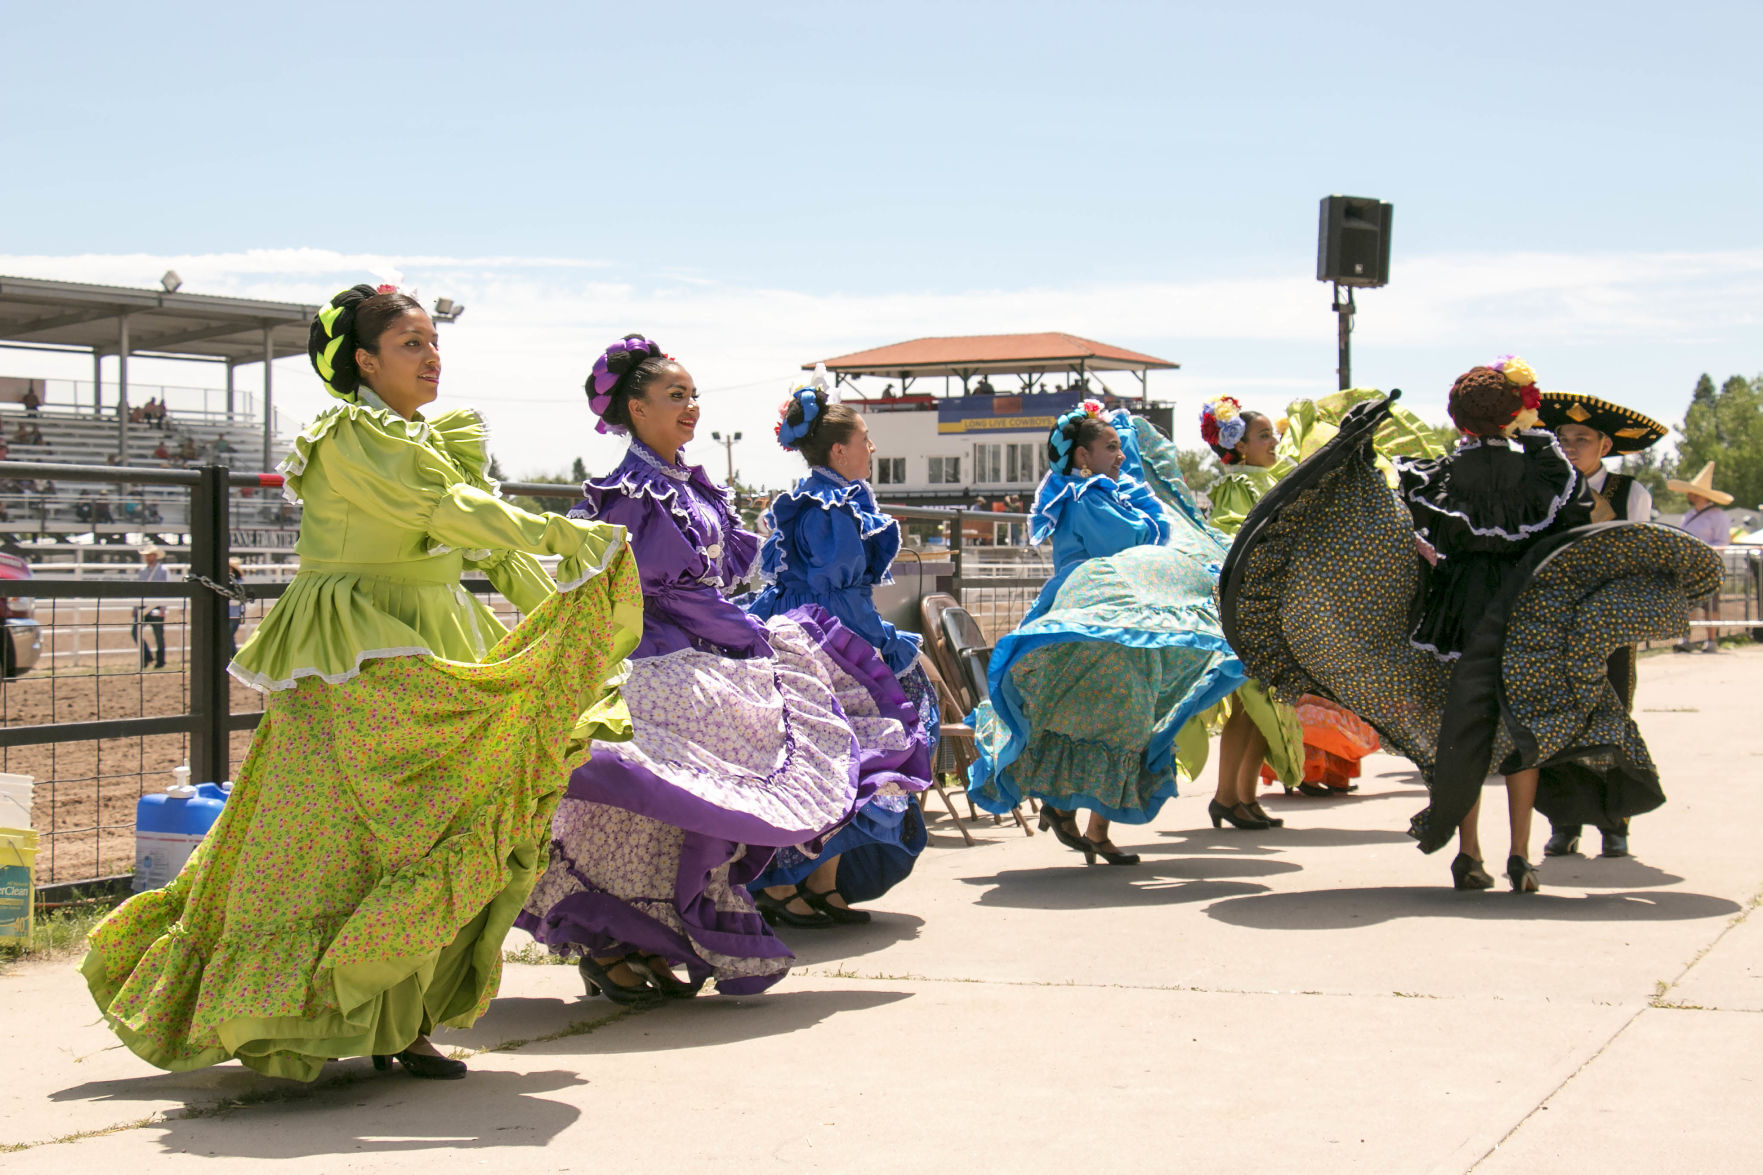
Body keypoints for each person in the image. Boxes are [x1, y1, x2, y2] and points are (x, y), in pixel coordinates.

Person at [83, 283, 643, 1082]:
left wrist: (569, 615)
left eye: (433, 342)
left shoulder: (427, 437)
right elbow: (449, 510)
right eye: (411, 344)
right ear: (364, 360)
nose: (431, 356)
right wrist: (569, 537)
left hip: (432, 634)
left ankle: (403, 1020)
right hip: (351, 652)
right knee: (319, 843)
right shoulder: (349, 436)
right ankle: (280, 1014)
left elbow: (487, 546)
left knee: (431, 834)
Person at [519, 335, 927, 1001]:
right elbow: (645, 589)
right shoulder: (630, 490)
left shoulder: (685, 482)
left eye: (692, 395)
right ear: (634, 407)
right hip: (655, 649)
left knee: (689, 801)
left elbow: (719, 573)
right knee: (655, 796)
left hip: (703, 641)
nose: (690, 406)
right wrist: (729, 632)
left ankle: (641, 936)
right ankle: (608, 938)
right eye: (675, 395)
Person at [1219, 359, 1722, 895]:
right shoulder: (1547, 470)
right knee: (1522, 733)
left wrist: (1354, 454)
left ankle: (1469, 853)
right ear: (1514, 415)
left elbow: (1402, 524)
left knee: (1461, 729)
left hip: (1453, 613)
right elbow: (1574, 524)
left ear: (1457, 419)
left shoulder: (1434, 473)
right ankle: (1521, 856)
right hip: (1527, 610)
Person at [968, 400, 1245, 865]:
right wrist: (1142, 508)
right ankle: (1076, 817)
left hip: (1123, 618)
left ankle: (1087, 822)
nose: (1120, 455)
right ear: (1082, 456)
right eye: (1111, 447)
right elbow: (1132, 543)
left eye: (1120, 447)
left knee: (1126, 717)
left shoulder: (1106, 494)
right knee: (1111, 716)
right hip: (1094, 621)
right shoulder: (1084, 498)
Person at [744, 375, 938, 926]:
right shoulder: (830, 508)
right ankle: (790, 883)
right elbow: (836, 595)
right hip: (826, 642)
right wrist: (882, 644)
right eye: (865, 438)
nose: (871, 449)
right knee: (869, 747)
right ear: (838, 449)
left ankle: (818, 882)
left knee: (844, 757)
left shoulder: (824, 502)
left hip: (809, 634)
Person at [1536, 391, 1668, 858]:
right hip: (1554, 626)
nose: (1570, 446)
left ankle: (1615, 824)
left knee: (1611, 719)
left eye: (1582, 438)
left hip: (1610, 629)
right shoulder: (1544, 487)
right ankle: (1564, 821)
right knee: (1555, 722)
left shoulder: (1632, 492)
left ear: (1605, 446)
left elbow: (1638, 557)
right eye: (1563, 437)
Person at [1198, 397, 1305, 828]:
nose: (1273, 441)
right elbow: (1232, 541)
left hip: (1271, 606)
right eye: (1264, 436)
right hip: (1251, 609)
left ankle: (1242, 795)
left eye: (1272, 434)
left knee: (1263, 705)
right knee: (1255, 702)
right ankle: (1228, 795)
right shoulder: (1238, 487)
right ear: (1239, 447)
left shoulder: (1265, 480)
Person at [1667, 462, 1733, 654]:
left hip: (1708, 567)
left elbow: (1722, 541)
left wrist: (1704, 555)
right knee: (1688, 603)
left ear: (1700, 495)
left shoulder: (1718, 516)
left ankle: (1711, 640)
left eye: (1692, 492)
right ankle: (1686, 638)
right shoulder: (1688, 516)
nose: (1688, 495)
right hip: (1688, 567)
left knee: (1710, 604)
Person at [133, 544, 169, 669]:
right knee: (135, 631)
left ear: (155, 556)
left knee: (158, 635)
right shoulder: (142, 571)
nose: (148, 557)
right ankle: (147, 656)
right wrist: (135, 607)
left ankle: (160, 661)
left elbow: (166, 590)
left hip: (156, 606)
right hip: (143, 606)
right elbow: (138, 589)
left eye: (150, 555)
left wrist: (163, 608)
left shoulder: (162, 571)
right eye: (147, 555)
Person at [225, 556, 246, 656]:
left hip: (233, 615)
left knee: (228, 637)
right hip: (232, 615)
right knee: (229, 638)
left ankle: (233, 658)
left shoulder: (236, 583)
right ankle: (234, 659)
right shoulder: (237, 582)